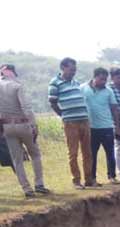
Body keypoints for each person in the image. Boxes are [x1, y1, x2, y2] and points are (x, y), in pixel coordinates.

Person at [0, 64, 48, 198]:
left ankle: (27, 189)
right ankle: (39, 184)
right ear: (11, 73)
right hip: (23, 124)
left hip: (7, 127)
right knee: (35, 154)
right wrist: (34, 125)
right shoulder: (17, 86)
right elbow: (26, 107)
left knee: (17, 160)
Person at [49, 57, 93, 189]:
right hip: (70, 122)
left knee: (87, 152)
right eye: (71, 69)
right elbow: (53, 102)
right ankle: (76, 181)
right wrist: (64, 115)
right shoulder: (55, 83)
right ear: (63, 68)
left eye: (75, 70)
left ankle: (89, 180)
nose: (73, 72)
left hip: (84, 120)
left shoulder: (76, 82)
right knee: (73, 152)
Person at [82, 67, 120, 185]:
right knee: (92, 154)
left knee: (110, 153)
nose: (103, 81)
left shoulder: (109, 91)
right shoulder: (82, 88)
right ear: (94, 77)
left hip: (107, 126)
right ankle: (92, 178)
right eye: (101, 79)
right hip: (91, 127)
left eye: (105, 79)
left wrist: (117, 127)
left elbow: (114, 109)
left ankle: (112, 177)